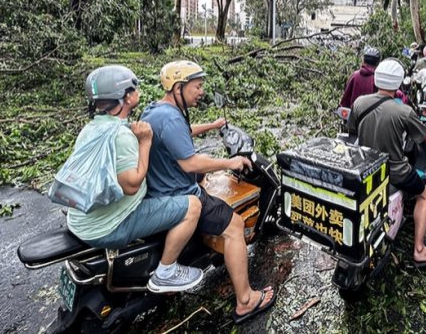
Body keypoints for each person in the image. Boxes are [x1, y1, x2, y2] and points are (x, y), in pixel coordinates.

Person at [141, 60, 276, 324]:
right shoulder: (170, 118)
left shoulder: (157, 111)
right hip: (180, 192)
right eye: (197, 86)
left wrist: (213, 126)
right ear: (179, 87)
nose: (201, 92)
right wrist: (229, 162)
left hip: (159, 190)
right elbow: (190, 163)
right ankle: (245, 300)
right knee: (235, 226)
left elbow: (182, 132)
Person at [67, 65, 205, 293]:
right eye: (134, 87)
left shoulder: (92, 128)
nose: (138, 91)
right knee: (193, 206)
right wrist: (145, 142)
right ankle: (166, 272)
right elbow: (132, 185)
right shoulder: (121, 135)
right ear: (127, 96)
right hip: (106, 227)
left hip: (80, 219)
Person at [347, 59, 426, 269]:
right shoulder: (404, 111)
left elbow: (352, 132)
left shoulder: (359, 103)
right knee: (425, 194)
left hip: (366, 169)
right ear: (399, 82)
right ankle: (419, 250)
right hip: (396, 172)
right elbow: (425, 137)